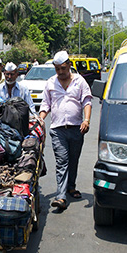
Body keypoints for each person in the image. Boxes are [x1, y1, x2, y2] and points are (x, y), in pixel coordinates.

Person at [38, 51, 92, 211]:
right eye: (57, 69)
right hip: (58, 130)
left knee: (73, 160)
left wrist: (87, 120)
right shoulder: (50, 83)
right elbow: (45, 104)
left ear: (69, 65)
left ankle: (71, 187)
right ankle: (61, 196)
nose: (60, 72)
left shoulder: (80, 81)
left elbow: (87, 101)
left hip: (76, 129)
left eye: (63, 68)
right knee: (62, 162)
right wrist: (41, 119)